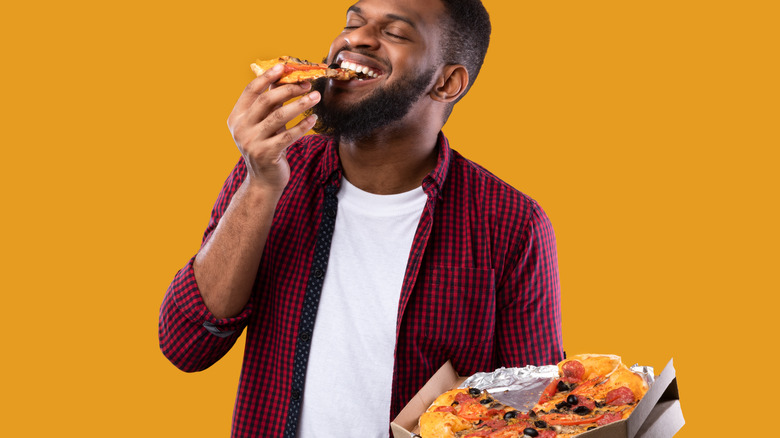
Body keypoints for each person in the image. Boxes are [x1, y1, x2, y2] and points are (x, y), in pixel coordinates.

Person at [159, 0, 563, 436]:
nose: (355, 39)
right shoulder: (272, 169)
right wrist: (260, 184)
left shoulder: (511, 225)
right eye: (353, 22)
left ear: (447, 83)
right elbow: (187, 347)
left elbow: (535, 412)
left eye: (395, 32)